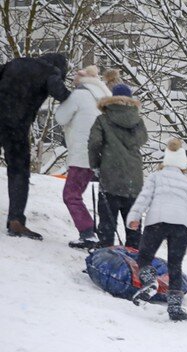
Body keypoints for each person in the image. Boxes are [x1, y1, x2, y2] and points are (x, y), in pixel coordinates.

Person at [1, 53, 71, 240]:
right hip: (16, 127)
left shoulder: (15, 63)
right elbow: (60, 93)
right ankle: (16, 220)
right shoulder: (51, 71)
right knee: (18, 172)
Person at [127, 138, 187, 321]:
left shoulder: (156, 177)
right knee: (175, 264)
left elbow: (144, 198)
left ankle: (150, 281)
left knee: (145, 256)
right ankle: (174, 306)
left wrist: (135, 216)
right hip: (182, 225)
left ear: (165, 160)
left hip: (157, 220)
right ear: (183, 165)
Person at [55, 65, 111, 248]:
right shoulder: (105, 96)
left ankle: (87, 233)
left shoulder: (79, 95)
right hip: (101, 154)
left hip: (81, 154)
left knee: (71, 195)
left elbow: (60, 118)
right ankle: (96, 233)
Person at [88, 83, 148, 248]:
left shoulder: (103, 119)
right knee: (133, 226)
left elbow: (94, 143)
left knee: (107, 225)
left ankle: (106, 260)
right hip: (134, 180)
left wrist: (95, 166)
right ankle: (135, 263)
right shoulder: (138, 121)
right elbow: (142, 140)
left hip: (110, 177)